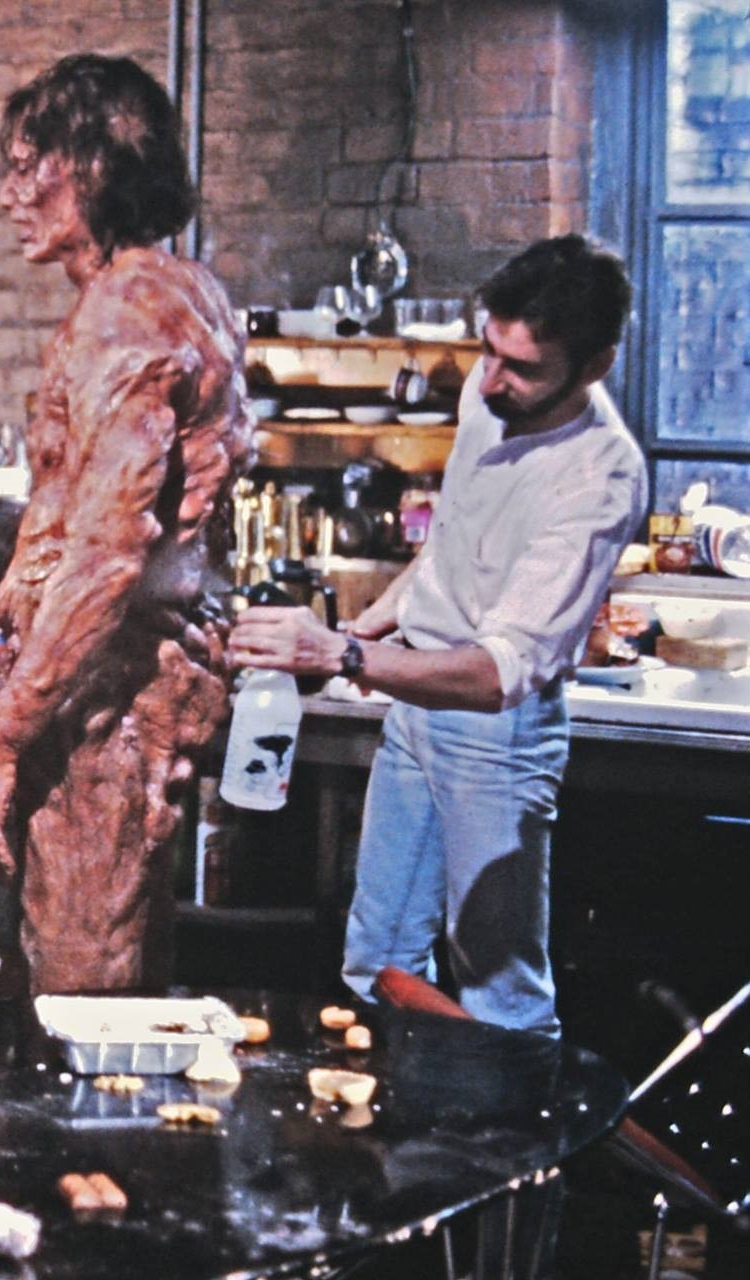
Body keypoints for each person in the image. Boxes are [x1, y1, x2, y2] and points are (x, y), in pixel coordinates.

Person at [229, 235, 647, 1036]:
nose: (490, 381)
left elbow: (499, 673)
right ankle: (390, 1110)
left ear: (595, 365)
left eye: (521, 368)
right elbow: (450, 549)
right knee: (375, 958)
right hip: (416, 707)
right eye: (489, 351)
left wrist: (342, 653)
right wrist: (369, 625)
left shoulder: (600, 475)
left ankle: (511, 1118)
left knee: (499, 988)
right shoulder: (491, 400)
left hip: (497, 734)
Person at [0, 54, 254, 993]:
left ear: (90, 170)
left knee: (81, 975)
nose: (9, 195)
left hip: (102, 693)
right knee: (106, 955)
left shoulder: (124, 316)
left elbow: (105, 560)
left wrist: (5, 743)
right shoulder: (181, 290)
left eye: (27, 168)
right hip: (113, 680)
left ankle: (84, 1104)